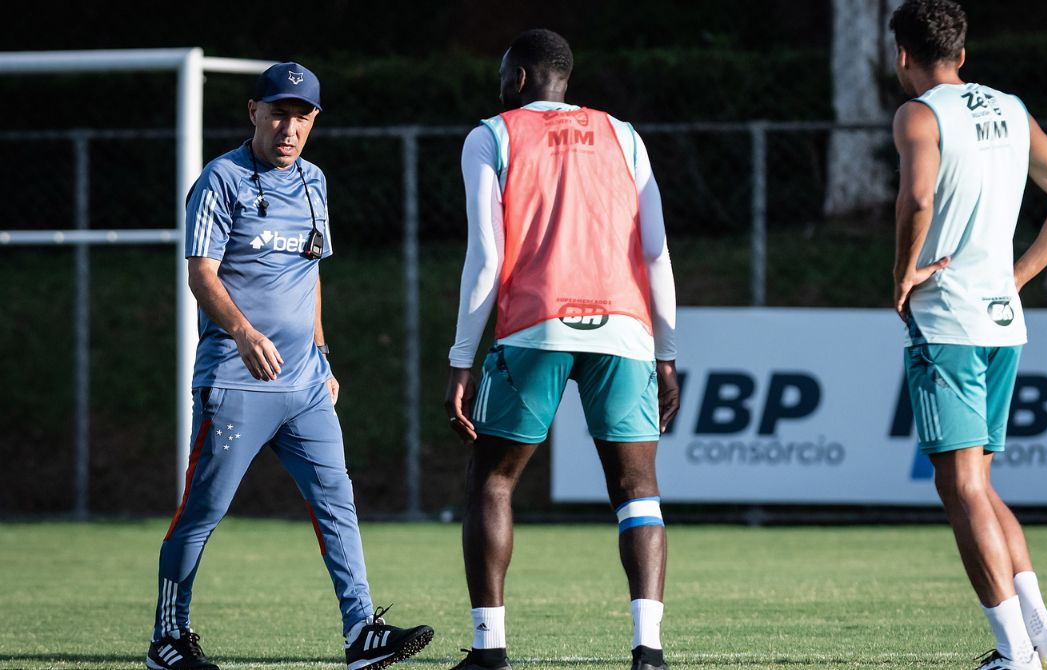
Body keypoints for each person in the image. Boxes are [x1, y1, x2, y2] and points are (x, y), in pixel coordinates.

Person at [145, 62, 433, 670]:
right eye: (279, 112)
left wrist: (322, 356)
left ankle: (361, 634)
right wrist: (244, 331)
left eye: (302, 117)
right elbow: (201, 274)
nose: (289, 127)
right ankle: (168, 638)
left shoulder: (313, 182)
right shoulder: (219, 180)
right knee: (202, 510)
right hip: (233, 380)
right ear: (254, 111)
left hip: (304, 386)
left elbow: (311, 272)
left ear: (314, 122)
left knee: (338, 501)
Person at [443, 29, 680, 670]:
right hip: (626, 329)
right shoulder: (624, 135)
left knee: (492, 482)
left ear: (518, 78)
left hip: (534, 328)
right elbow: (655, 250)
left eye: (502, 75)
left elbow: (486, 256)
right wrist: (666, 351)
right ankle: (648, 649)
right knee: (638, 490)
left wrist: (462, 357)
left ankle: (490, 651)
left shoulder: (491, 135)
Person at [888, 2, 1047, 669]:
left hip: (948, 319)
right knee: (975, 482)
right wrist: (1016, 276)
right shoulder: (1009, 107)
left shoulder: (918, 114)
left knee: (961, 488)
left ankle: (1015, 655)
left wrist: (902, 274)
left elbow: (918, 199)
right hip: (1003, 323)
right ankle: (1039, 631)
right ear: (963, 52)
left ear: (902, 56)